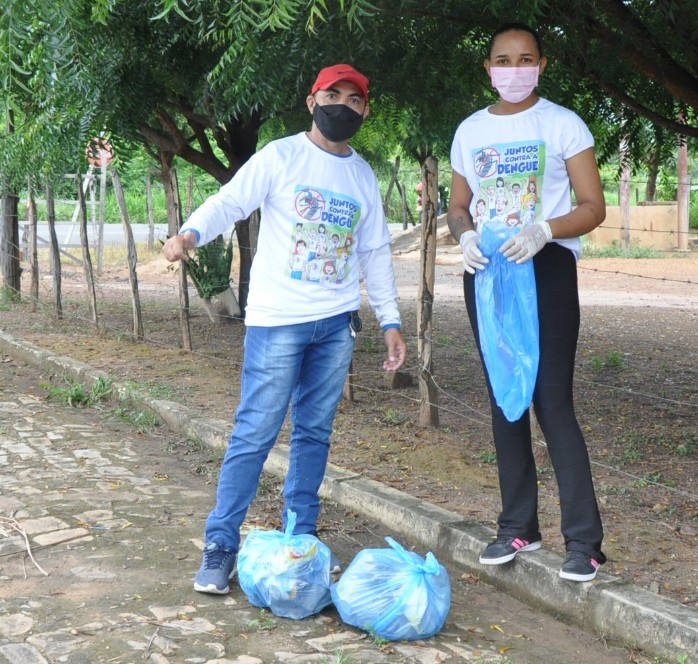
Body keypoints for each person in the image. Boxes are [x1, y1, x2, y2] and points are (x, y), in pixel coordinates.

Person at [162, 63, 407, 595]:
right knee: (255, 433)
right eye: (333, 94)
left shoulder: (362, 175)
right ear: (312, 100)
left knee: (315, 433)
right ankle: (220, 545)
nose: (343, 105)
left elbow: (374, 253)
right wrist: (190, 233)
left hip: (336, 325)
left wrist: (391, 319)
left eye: (354, 99)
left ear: (366, 110)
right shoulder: (281, 155)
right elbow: (231, 200)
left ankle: (302, 539)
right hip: (278, 322)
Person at [447, 23, 608, 582]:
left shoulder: (563, 124)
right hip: (488, 271)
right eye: (502, 60)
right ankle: (518, 525)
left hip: (544, 267)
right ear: (487, 68)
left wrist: (544, 230)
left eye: (525, 59)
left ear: (542, 65)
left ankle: (584, 542)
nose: (513, 68)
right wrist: (464, 236)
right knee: (503, 396)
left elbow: (593, 207)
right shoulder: (470, 131)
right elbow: (458, 206)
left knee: (551, 401)